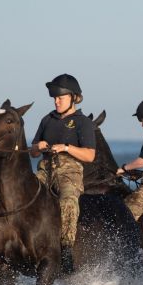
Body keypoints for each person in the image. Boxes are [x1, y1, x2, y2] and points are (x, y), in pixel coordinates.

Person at [30, 74, 96, 274]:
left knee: (68, 200)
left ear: (73, 98)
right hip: (45, 168)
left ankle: (66, 249)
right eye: (54, 98)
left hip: (70, 170)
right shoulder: (47, 120)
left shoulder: (82, 122)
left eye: (60, 97)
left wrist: (67, 147)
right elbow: (33, 152)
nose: (56, 101)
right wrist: (37, 146)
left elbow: (90, 155)